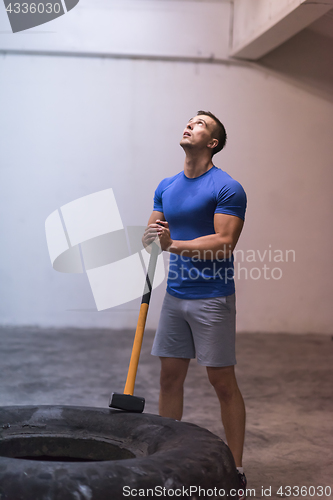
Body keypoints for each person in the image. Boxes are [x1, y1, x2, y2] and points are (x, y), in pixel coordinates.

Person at [143, 111, 247, 498]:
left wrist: (174, 245)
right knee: (169, 379)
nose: (190, 125)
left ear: (213, 143)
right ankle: (163, 465)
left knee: (222, 383)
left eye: (200, 124)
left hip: (212, 299)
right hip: (176, 297)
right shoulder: (167, 186)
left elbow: (224, 242)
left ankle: (235, 468)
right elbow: (152, 237)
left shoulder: (227, 187)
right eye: (190, 121)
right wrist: (153, 236)